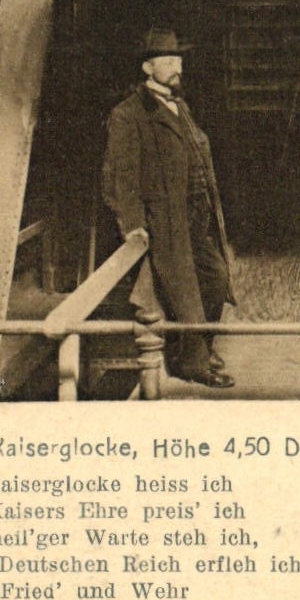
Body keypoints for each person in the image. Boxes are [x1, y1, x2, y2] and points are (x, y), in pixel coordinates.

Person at [102, 27, 235, 389]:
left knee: (216, 279)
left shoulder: (180, 105)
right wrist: (132, 224)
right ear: (148, 68)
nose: (177, 67)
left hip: (194, 220)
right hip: (166, 219)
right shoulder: (129, 115)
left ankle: (199, 348)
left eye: (179, 59)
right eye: (168, 60)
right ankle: (193, 363)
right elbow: (120, 175)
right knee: (183, 292)